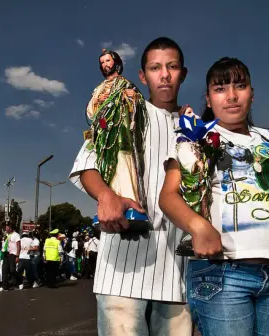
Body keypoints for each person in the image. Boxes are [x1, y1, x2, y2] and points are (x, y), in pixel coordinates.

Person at [160, 57, 269, 336]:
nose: (232, 96)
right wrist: (199, 226)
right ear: (209, 98)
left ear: (252, 93)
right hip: (224, 272)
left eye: (240, 86)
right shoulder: (195, 136)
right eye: (221, 88)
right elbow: (168, 196)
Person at [69, 37, 192, 336]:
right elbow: (87, 164)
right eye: (155, 67)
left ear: (183, 73)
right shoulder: (123, 107)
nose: (164, 75)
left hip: (178, 272)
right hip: (122, 269)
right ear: (142, 75)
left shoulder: (196, 126)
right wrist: (106, 194)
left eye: (172, 67)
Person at [84, 48, 150, 229]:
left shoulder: (124, 83)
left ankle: (131, 201)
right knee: (105, 167)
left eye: (108, 61)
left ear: (116, 62)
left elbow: (141, 105)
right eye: (102, 62)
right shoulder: (98, 88)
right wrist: (99, 101)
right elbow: (90, 111)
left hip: (121, 131)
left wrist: (132, 98)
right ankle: (108, 204)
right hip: (104, 135)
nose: (105, 64)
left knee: (123, 160)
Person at [0, 223, 20, 292]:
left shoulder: (16, 235)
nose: (6, 229)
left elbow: (18, 245)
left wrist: (17, 256)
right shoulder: (6, 235)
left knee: (12, 270)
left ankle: (20, 280)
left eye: (7, 228)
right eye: (5, 228)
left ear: (11, 228)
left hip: (13, 254)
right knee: (4, 270)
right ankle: (5, 287)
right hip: (6, 254)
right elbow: (4, 243)